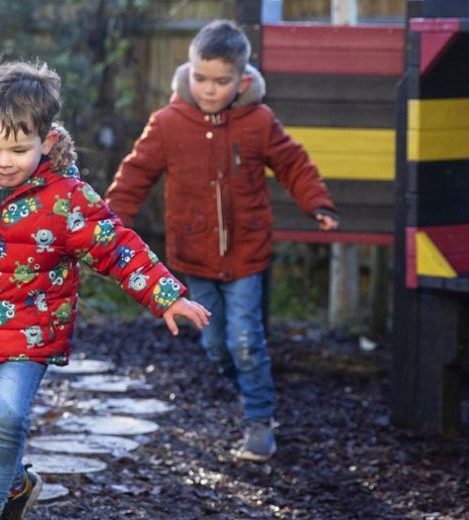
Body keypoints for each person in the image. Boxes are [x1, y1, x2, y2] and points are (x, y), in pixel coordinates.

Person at [0, 61, 210, 520]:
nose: (4, 161)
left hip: (31, 334)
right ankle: (18, 484)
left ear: (45, 142)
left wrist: (166, 294)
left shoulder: (66, 199)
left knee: (8, 416)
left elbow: (117, 247)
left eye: (18, 150)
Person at [105, 20, 338, 462]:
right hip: (194, 254)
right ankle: (255, 392)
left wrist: (318, 203)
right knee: (217, 345)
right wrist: (108, 225)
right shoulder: (169, 123)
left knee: (246, 341)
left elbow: (293, 163)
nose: (210, 89)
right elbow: (135, 175)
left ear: (242, 79)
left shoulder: (259, 121)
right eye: (201, 78)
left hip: (247, 253)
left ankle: (259, 421)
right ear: (188, 72)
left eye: (221, 81)